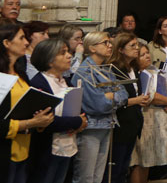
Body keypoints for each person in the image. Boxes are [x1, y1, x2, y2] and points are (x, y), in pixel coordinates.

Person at [0, 23, 55, 183]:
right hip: (5, 151)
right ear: (6, 43)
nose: (26, 42)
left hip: (24, 148)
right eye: (22, 38)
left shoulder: (21, 73)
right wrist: (31, 122)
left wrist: (40, 120)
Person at [71, 31, 128, 183]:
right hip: (91, 126)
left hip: (107, 124)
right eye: (105, 43)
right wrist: (110, 96)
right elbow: (98, 105)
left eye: (110, 42)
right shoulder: (84, 71)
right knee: (86, 176)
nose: (110, 46)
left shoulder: (106, 70)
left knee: (99, 175)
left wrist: (109, 96)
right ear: (92, 48)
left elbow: (124, 95)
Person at [28, 39, 87, 183]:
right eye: (63, 53)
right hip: (47, 148)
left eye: (68, 51)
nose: (69, 56)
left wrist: (81, 120)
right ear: (49, 61)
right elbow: (47, 120)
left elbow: (79, 109)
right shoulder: (38, 83)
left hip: (67, 142)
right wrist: (77, 121)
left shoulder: (65, 80)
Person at [105, 34, 150, 183]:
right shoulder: (114, 70)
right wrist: (136, 100)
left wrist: (140, 100)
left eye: (137, 45)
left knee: (124, 167)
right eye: (132, 46)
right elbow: (115, 98)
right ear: (121, 49)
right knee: (115, 168)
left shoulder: (134, 68)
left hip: (133, 123)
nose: (137, 49)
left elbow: (135, 92)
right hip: (121, 124)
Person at [130, 43, 167, 183]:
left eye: (147, 53)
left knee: (149, 159)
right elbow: (150, 95)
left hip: (158, 118)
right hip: (145, 118)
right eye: (142, 55)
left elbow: (166, 86)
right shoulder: (138, 74)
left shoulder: (153, 70)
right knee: (141, 159)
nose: (147, 56)